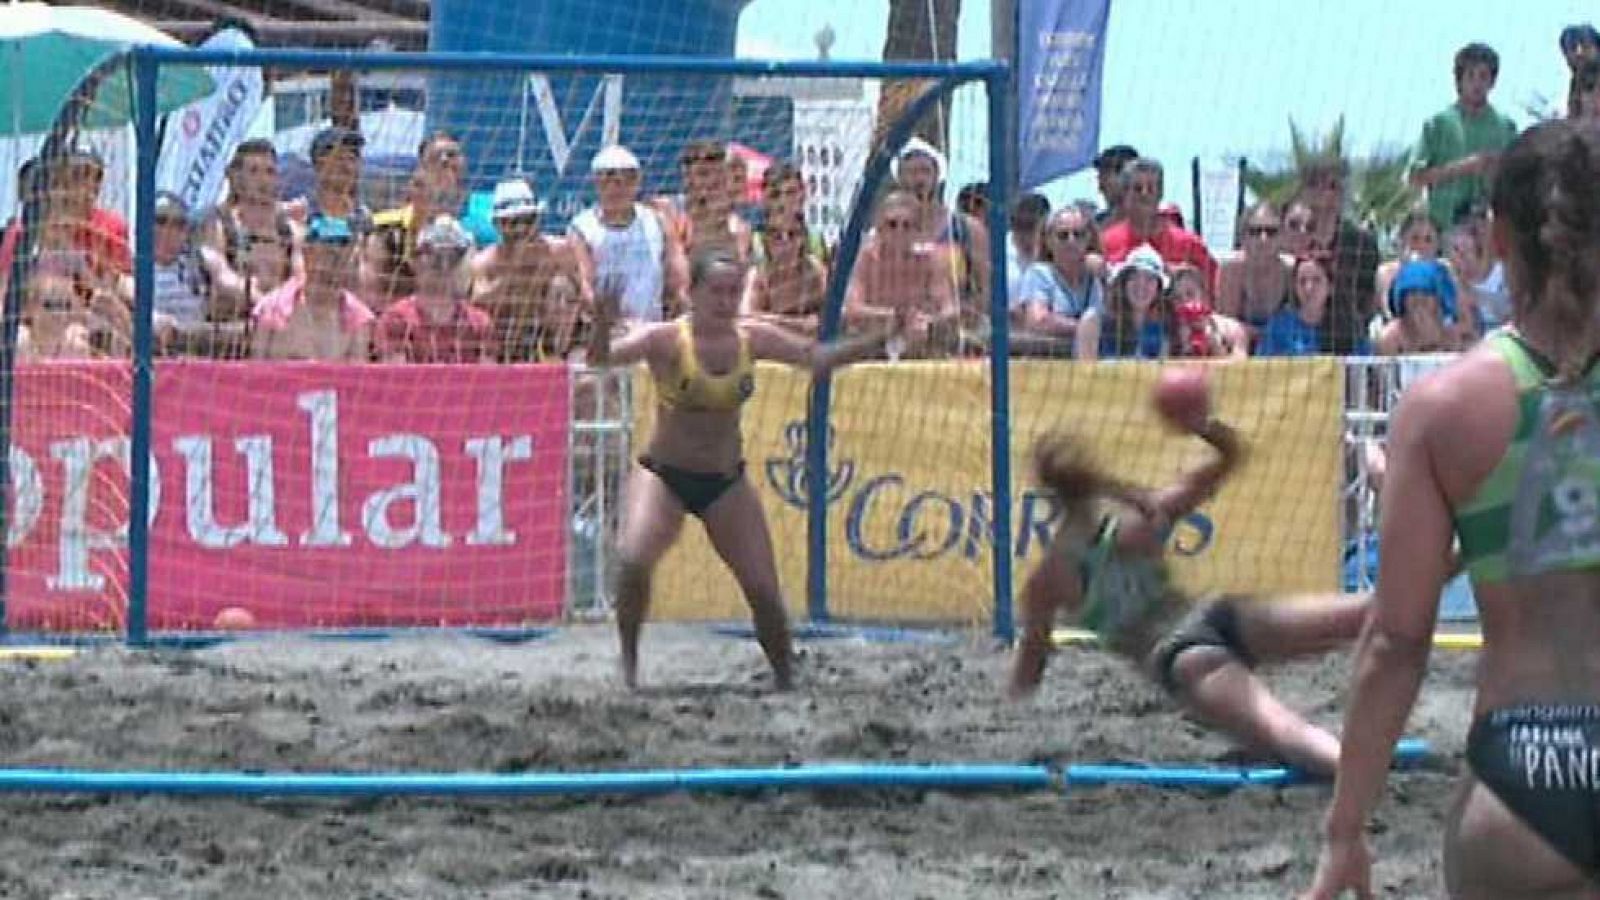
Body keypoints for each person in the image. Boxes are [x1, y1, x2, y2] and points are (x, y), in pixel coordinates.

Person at [1303, 119, 1600, 900]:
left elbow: (1397, 643)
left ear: (1497, 238)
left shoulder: (1445, 408)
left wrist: (1345, 830)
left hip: (1527, 776)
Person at [1008, 381, 1370, 777]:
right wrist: (1201, 426)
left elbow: (1029, 672)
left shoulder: (1048, 580)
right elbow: (1231, 457)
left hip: (1181, 654)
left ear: (1048, 495)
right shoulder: (1141, 518)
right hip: (1220, 615)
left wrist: (1014, 694)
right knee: (1369, 612)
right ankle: (1445, 551)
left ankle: (1359, 779)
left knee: (1284, 732)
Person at [585, 249, 900, 690]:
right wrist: (601, 324)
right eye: (716, 291)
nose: (726, 300)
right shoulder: (666, 339)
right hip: (665, 475)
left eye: (734, 291)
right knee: (634, 561)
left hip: (723, 481)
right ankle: (629, 663)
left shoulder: (752, 337)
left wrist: (877, 342)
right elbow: (600, 360)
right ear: (690, 292)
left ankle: (786, 677)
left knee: (765, 592)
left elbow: (815, 358)